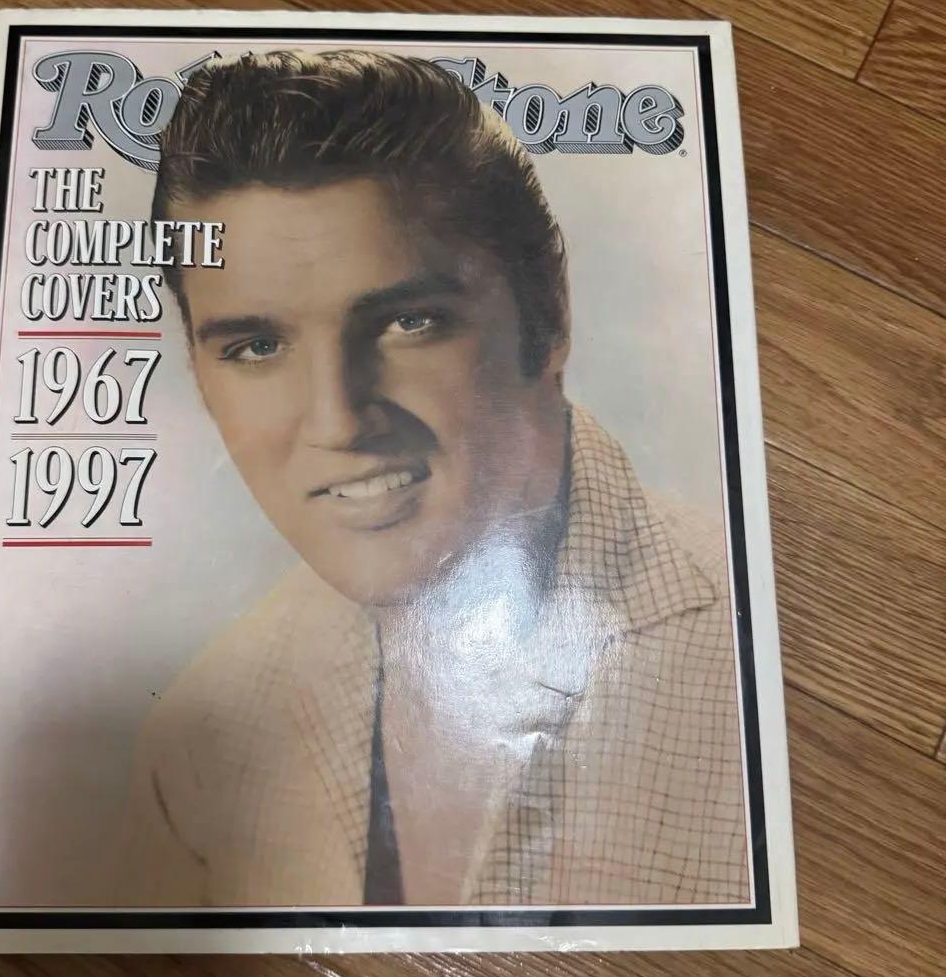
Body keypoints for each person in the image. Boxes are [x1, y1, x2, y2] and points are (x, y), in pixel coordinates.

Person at [118, 50, 749, 908]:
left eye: (409, 322)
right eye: (257, 346)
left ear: (549, 315)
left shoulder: (753, 662)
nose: (338, 421)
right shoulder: (199, 742)